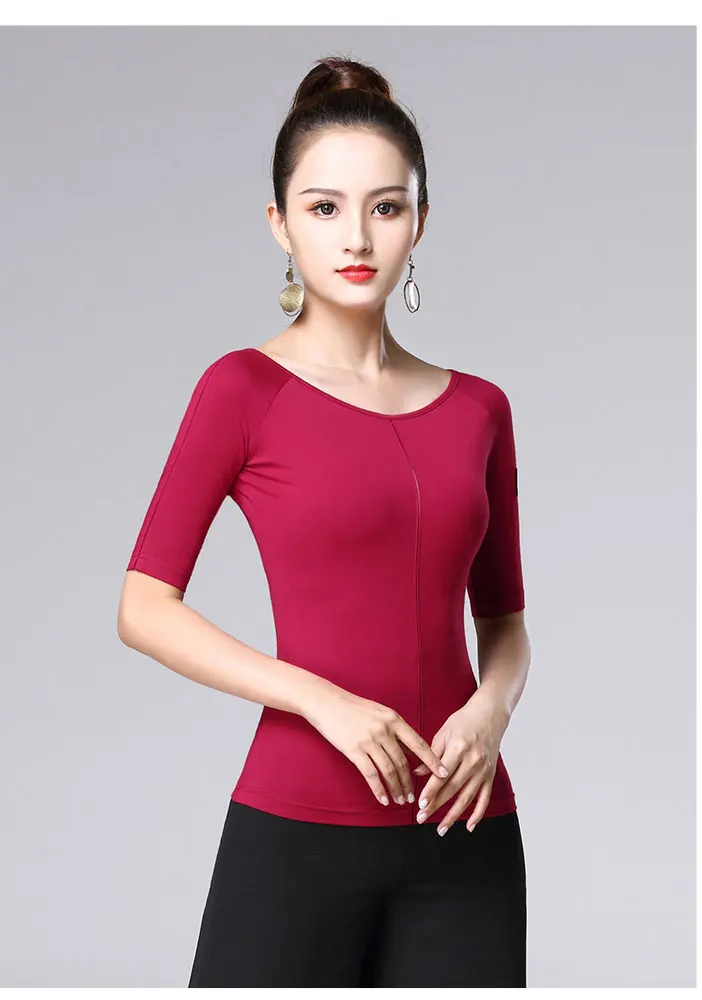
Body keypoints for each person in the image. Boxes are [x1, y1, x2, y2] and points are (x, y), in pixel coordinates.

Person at [117, 54, 532, 988]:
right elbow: (143, 606)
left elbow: (505, 624)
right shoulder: (242, 390)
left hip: (466, 835)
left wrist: (490, 712)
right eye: (324, 207)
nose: (357, 237)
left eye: (386, 207)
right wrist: (319, 699)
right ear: (280, 224)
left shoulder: (481, 408)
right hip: (296, 831)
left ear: (420, 220)